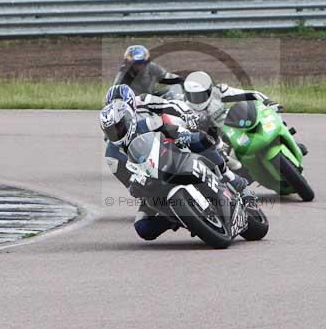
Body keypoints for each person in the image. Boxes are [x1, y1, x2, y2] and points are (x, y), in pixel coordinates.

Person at [100, 98, 248, 241]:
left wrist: (185, 135)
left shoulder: (148, 123)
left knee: (201, 140)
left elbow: (173, 130)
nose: (115, 132)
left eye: (118, 126)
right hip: (154, 185)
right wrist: (136, 187)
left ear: (128, 119)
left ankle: (228, 177)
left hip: (176, 159)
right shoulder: (112, 157)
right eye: (110, 130)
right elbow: (128, 183)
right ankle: (182, 218)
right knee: (143, 228)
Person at [112, 45, 184, 95]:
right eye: (135, 64)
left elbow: (169, 78)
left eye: (141, 63)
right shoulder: (123, 75)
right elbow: (115, 94)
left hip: (151, 102)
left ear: (146, 63)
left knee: (175, 89)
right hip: (134, 106)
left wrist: (183, 80)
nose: (138, 67)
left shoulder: (152, 68)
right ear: (129, 64)